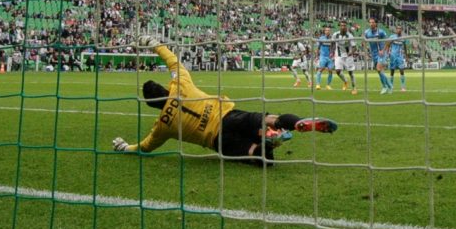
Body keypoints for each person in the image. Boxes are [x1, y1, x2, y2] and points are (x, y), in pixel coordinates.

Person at [112, 36, 338, 165]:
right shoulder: (180, 84)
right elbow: (172, 61)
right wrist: (153, 43)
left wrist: (125, 147)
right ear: (165, 87)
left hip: (218, 139)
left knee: (254, 153)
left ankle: (265, 146)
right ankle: (294, 123)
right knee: (270, 118)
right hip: (229, 115)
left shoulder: (162, 126)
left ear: (153, 105)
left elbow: (145, 147)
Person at [364, 17, 394, 94]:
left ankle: (385, 86)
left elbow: (388, 41)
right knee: (380, 71)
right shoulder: (367, 32)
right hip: (373, 54)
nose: (371, 24)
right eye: (370, 22)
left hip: (381, 53)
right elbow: (364, 42)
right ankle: (389, 85)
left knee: (378, 68)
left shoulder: (381, 32)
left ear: (376, 23)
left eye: (373, 22)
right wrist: (366, 52)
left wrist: (383, 50)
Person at [333, 20, 357, 94]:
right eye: (341, 25)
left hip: (348, 56)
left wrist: (351, 52)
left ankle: (354, 88)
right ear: (340, 26)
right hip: (339, 55)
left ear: (346, 27)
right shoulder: (335, 35)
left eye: (344, 25)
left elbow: (354, 47)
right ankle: (345, 81)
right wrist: (331, 51)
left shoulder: (350, 36)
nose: (343, 27)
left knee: (350, 73)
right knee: (337, 71)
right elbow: (332, 43)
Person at [315, 25, 337, 90]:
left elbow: (334, 47)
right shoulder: (321, 38)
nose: (327, 31)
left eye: (328, 30)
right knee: (321, 69)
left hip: (330, 57)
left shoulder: (332, 39)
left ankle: (328, 85)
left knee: (330, 70)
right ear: (324, 31)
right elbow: (318, 48)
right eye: (326, 30)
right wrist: (317, 56)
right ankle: (318, 84)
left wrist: (332, 53)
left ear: (330, 31)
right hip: (323, 56)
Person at [388, 26, 408, 92]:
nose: (398, 30)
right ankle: (391, 86)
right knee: (392, 71)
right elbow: (388, 44)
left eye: (400, 29)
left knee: (402, 70)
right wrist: (387, 53)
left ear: (401, 30)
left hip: (400, 56)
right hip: (393, 56)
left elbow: (405, 47)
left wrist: (406, 56)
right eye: (397, 29)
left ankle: (403, 87)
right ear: (396, 30)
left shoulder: (403, 38)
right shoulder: (392, 37)